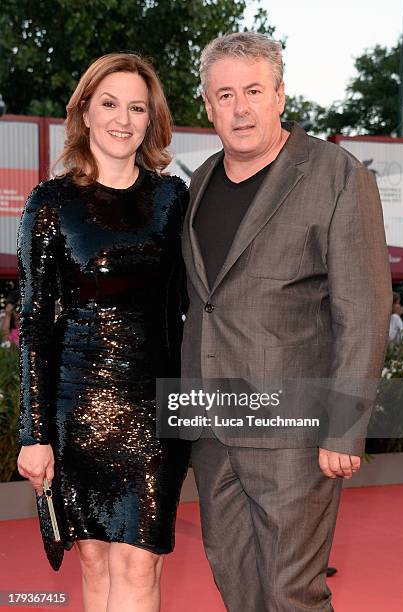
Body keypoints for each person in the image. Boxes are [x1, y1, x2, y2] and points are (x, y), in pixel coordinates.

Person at [181, 33, 392, 611]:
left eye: (253, 91)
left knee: (291, 592)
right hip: (211, 427)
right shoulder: (198, 183)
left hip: (295, 430)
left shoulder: (336, 175)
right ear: (207, 106)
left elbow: (365, 308)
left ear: (279, 95)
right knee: (237, 585)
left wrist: (345, 426)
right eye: (224, 95)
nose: (240, 108)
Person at [17, 52, 190, 612]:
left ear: (151, 119)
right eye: (110, 103)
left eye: (137, 107)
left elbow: (193, 306)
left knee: (140, 563)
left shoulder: (173, 199)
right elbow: (37, 326)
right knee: (93, 561)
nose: (123, 118)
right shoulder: (50, 204)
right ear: (85, 112)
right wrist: (33, 432)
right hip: (77, 412)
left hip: (156, 411)